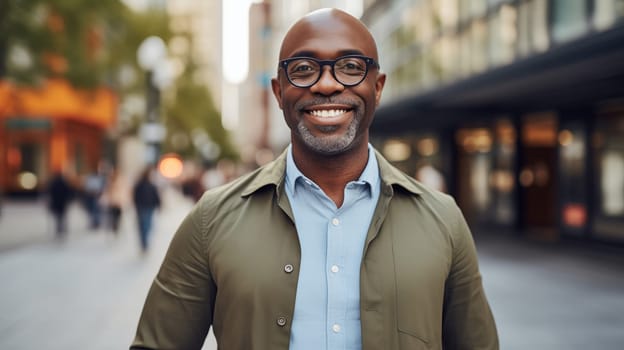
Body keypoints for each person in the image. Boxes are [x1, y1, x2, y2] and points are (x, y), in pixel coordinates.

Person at [131, 8, 498, 350]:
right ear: (278, 92)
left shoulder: (444, 220)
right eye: (304, 69)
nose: (326, 84)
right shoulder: (212, 218)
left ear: (378, 87)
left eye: (351, 66)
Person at [132, 168, 161, 252]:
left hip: (149, 207)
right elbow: (135, 197)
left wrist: (159, 205)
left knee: (147, 225)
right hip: (142, 207)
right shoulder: (140, 185)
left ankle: (144, 242)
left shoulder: (151, 185)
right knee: (144, 225)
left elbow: (156, 196)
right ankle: (144, 242)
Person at [100, 169, 130, 235]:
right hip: (113, 201)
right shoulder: (110, 181)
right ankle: (114, 226)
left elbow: (125, 191)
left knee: (117, 216)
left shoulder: (120, 181)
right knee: (113, 216)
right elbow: (107, 191)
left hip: (118, 202)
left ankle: (116, 226)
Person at [47, 171, 74, 237]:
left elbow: (49, 193)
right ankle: (62, 228)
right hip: (62, 202)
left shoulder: (53, 183)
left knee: (58, 216)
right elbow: (68, 192)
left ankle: (59, 228)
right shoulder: (64, 183)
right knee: (62, 216)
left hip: (56, 202)